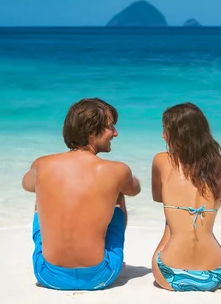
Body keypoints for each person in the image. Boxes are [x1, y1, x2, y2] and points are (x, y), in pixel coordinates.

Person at [22, 98, 141, 291]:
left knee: (41, 194)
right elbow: (134, 189)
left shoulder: (42, 164)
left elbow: (27, 185)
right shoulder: (117, 169)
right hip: (100, 276)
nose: (115, 133)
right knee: (118, 195)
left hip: (47, 274)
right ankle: (105, 254)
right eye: (111, 127)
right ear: (91, 132)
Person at [151, 102, 221, 292]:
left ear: (179, 135)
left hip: (168, 274)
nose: (163, 135)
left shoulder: (162, 160)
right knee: (205, 227)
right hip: (217, 273)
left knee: (171, 223)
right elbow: (220, 201)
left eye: (165, 130)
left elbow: (158, 197)